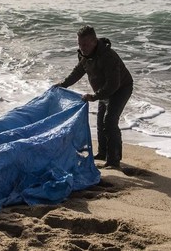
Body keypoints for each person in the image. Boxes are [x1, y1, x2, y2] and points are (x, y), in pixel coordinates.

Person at [54, 25, 133, 168]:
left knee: (109, 121)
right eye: (79, 44)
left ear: (94, 41)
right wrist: (63, 84)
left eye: (85, 44)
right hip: (103, 91)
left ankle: (114, 161)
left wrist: (95, 96)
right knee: (100, 123)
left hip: (121, 89)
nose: (82, 48)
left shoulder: (108, 56)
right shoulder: (84, 55)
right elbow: (78, 72)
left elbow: (114, 84)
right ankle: (102, 153)